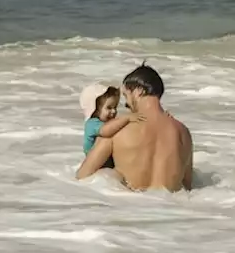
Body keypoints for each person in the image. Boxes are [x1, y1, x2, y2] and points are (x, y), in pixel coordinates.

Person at [77, 63, 193, 191]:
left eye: (126, 96)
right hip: (172, 209)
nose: (126, 104)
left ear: (139, 91)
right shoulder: (183, 132)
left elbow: (83, 177)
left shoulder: (118, 129)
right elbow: (188, 187)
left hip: (131, 208)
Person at [78, 84, 133, 171]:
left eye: (115, 107)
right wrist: (127, 118)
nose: (114, 111)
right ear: (95, 109)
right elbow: (106, 131)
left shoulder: (106, 122)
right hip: (96, 165)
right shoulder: (92, 123)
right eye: (109, 107)